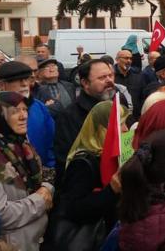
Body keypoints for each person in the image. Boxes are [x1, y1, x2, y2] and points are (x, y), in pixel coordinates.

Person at [46, 101, 127, 250]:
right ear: (102, 129)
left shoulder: (114, 157)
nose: (125, 129)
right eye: (120, 124)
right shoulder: (82, 164)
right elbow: (75, 209)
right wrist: (111, 190)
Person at [0, 92, 53, 251]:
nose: (23, 116)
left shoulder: (21, 143)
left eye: (25, 110)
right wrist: (40, 201)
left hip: (36, 238)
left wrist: (47, 187)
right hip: (12, 244)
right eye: (15, 112)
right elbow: (1, 215)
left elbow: (43, 175)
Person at [54, 60, 115, 185]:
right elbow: (67, 162)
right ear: (85, 83)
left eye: (110, 75)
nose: (109, 80)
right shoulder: (69, 116)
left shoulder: (117, 106)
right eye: (102, 77)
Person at [0, 61, 56, 171]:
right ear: (1, 85)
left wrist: (49, 174)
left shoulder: (39, 107)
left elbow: (51, 142)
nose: (24, 84)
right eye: (18, 80)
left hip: (42, 177)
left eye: (27, 79)